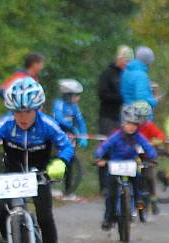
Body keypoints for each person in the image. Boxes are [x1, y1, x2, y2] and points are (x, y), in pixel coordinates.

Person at [0, 77, 74, 243]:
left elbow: (67, 147)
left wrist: (61, 161)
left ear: (38, 109)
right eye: (17, 112)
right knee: (0, 211)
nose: (22, 117)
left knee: (45, 217)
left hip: (39, 175)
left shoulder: (48, 125)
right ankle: (7, 240)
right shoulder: (5, 125)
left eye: (27, 111)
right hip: (12, 175)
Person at [95, 103, 157, 230]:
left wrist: (152, 156)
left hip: (131, 164)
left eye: (134, 124)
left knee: (138, 180)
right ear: (123, 123)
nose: (131, 127)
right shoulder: (116, 136)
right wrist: (99, 156)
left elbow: (147, 146)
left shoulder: (138, 136)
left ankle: (139, 202)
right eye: (129, 123)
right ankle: (108, 217)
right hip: (115, 164)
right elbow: (104, 146)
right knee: (111, 193)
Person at [97, 45, 134, 194]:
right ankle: (104, 185)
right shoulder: (108, 73)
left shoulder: (129, 74)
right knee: (107, 148)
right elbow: (102, 94)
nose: (126, 64)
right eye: (125, 60)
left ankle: (123, 181)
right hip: (108, 116)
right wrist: (121, 98)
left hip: (125, 118)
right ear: (118, 59)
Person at [53, 79, 88, 200]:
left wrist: (83, 135)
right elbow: (59, 119)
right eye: (76, 95)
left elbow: (81, 121)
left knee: (70, 162)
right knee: (55, 159)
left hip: (70, 136)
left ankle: (68, 191)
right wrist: (73, 128)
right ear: (68, 95)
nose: (78, 98)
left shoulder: (74, 106)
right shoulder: (58, 104)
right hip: (57, 135)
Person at [132, 100, 165, 216]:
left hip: (147, 157)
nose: (141, 120)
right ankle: (131, 200)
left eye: (143, 117)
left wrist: (152, 142)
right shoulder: (132, 126)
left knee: (149, 177)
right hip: (133, 156)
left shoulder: (149, 126)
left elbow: (161, 136)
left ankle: (153, 199)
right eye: (138, 117)